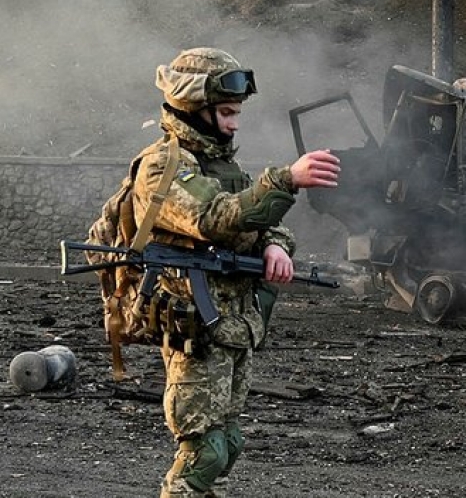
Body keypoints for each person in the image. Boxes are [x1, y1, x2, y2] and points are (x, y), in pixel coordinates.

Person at [136, 47, 340, 497]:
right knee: (203, 453)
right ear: (194, 106)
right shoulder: (163, 165)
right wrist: (285, 180)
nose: (234, 123)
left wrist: (274, 248)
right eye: (226, 112)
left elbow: (265, 225)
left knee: (227, 444)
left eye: (237, 112)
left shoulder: (224, 167)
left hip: (233, 326)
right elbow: (212, 217)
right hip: (197, 327)